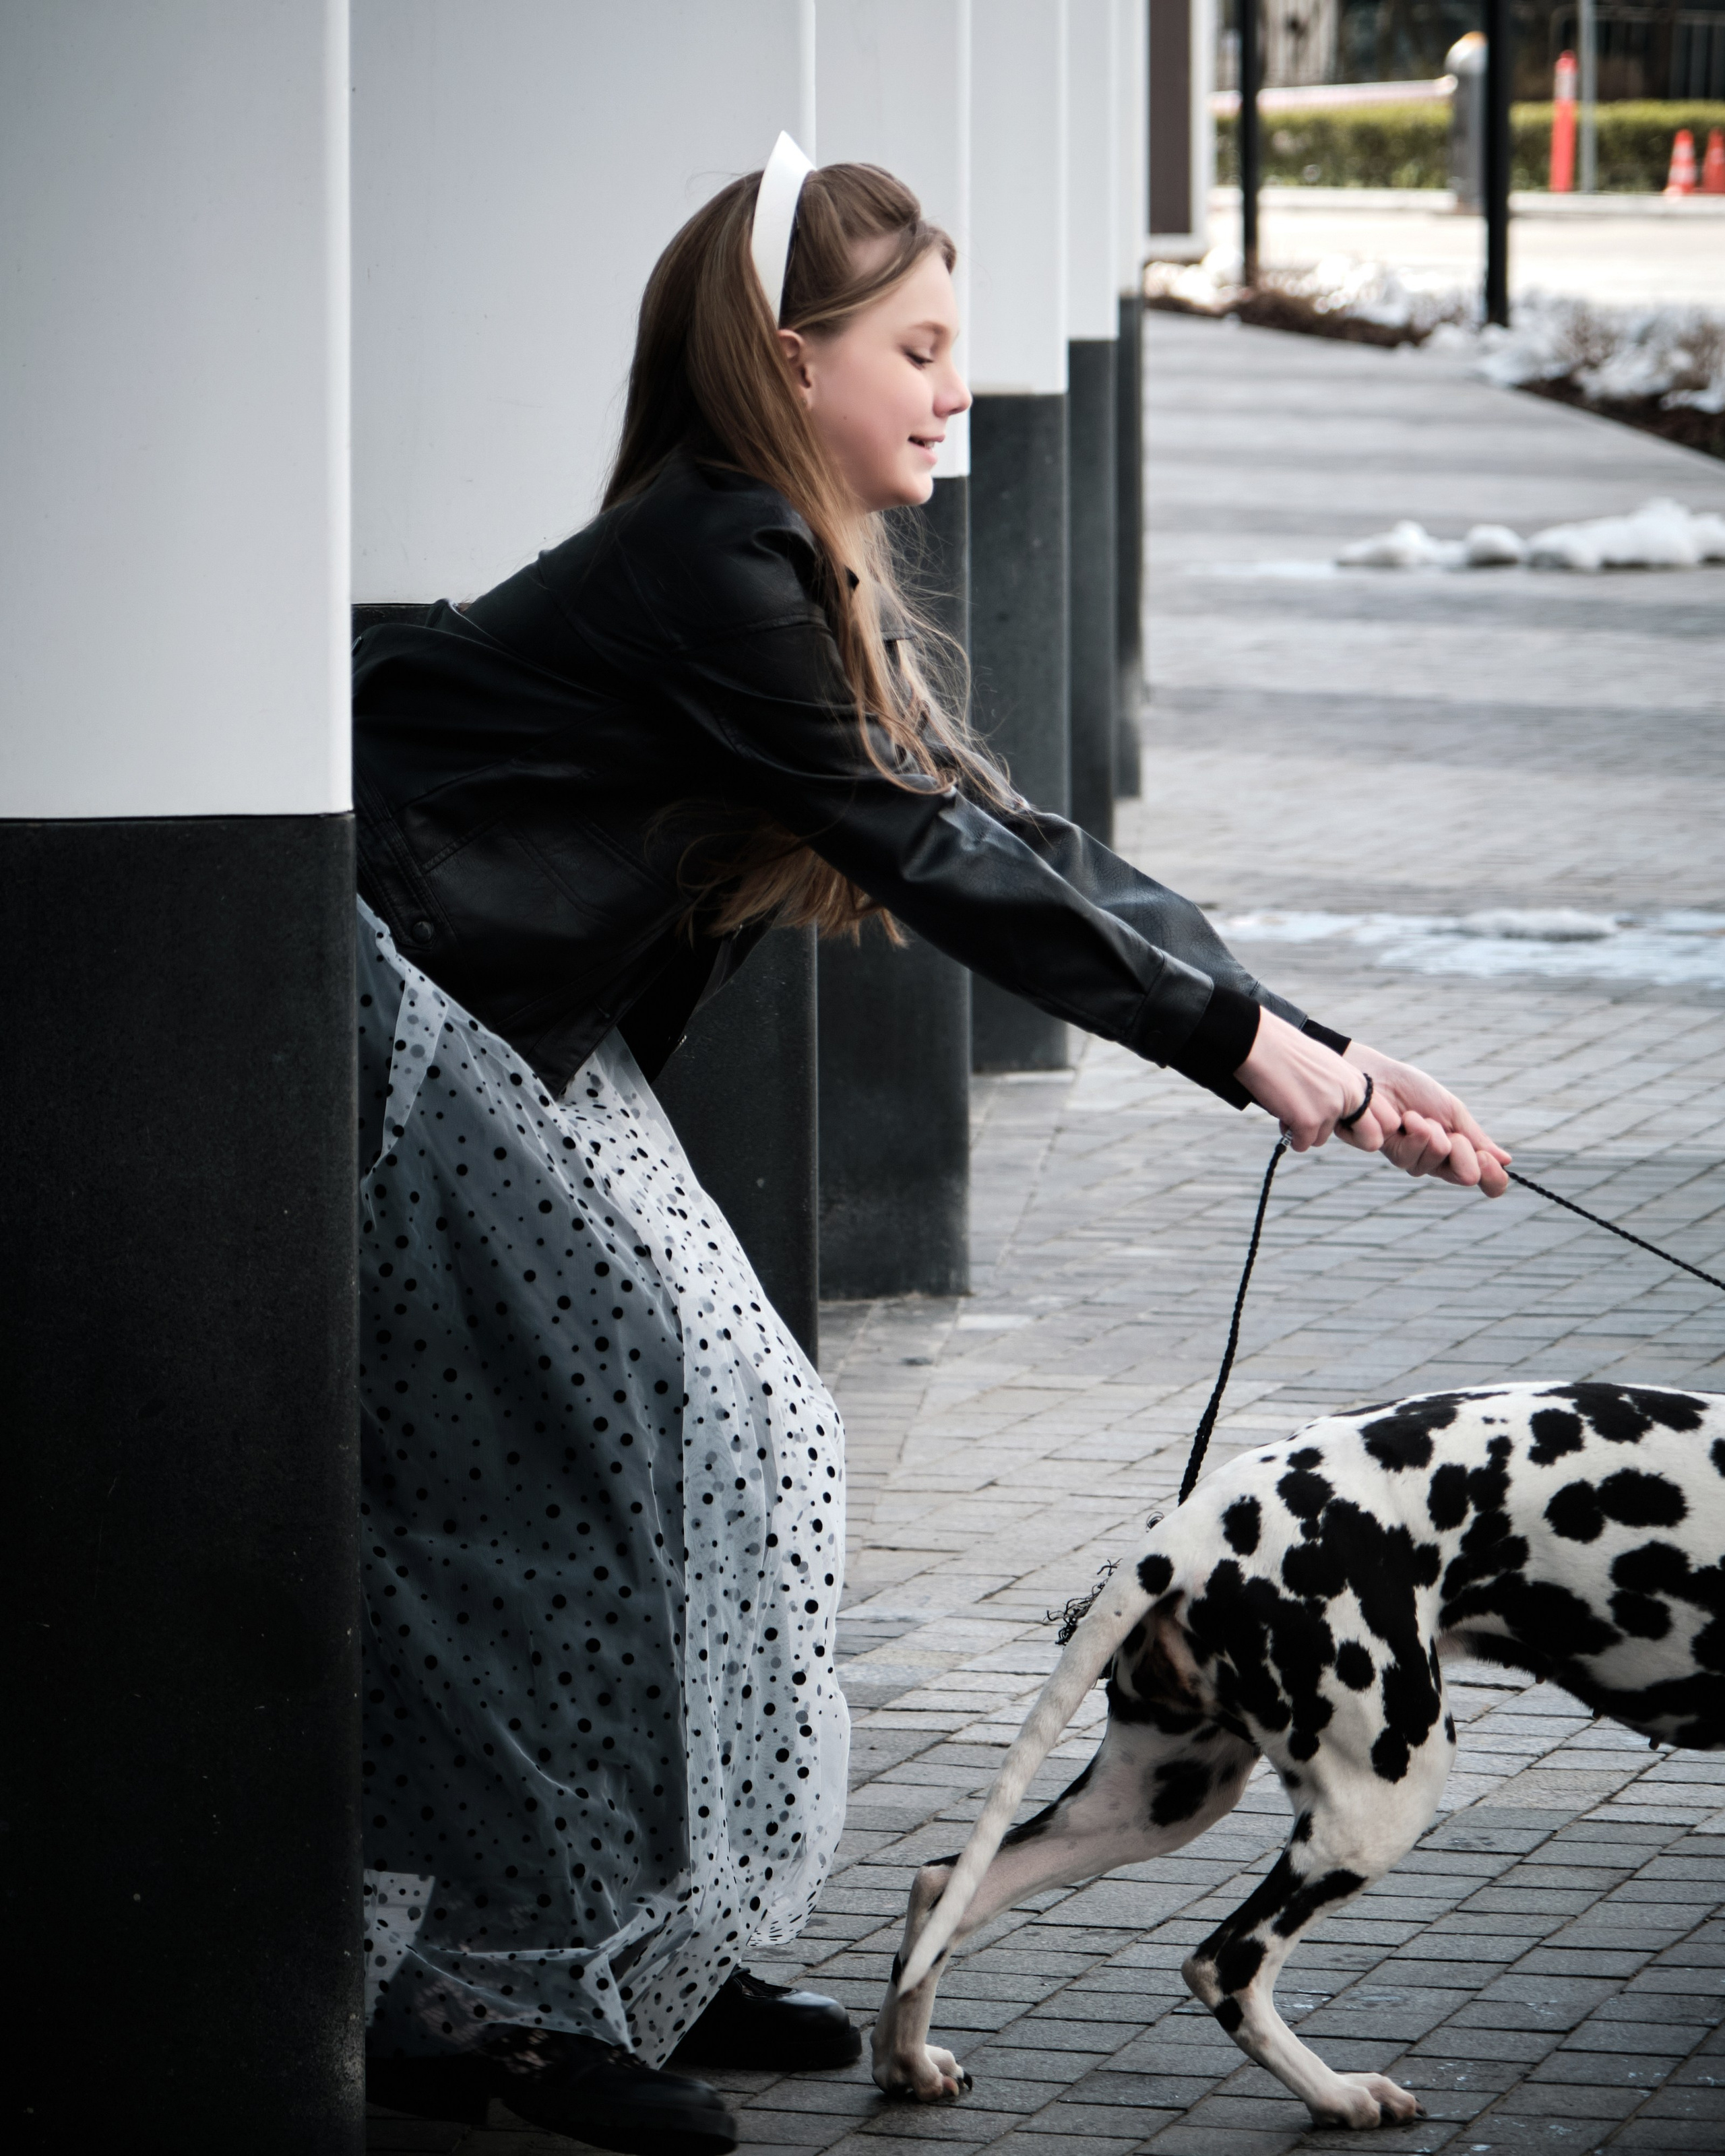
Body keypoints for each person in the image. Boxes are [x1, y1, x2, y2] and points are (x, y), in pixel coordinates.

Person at [352, 144, 1509, 2156]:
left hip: (519, 1025)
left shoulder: (776, 564)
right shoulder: (714, 560)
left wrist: (1322, 1041)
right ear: (788, 361)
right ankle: (495, 1999)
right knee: (605, 1466)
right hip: (399, 1003)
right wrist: (1241, 1052)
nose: (958, 385)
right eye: (921, 345)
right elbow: (941, 858)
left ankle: (653, 1948)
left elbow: (1001, 830)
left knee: (754, 1443)